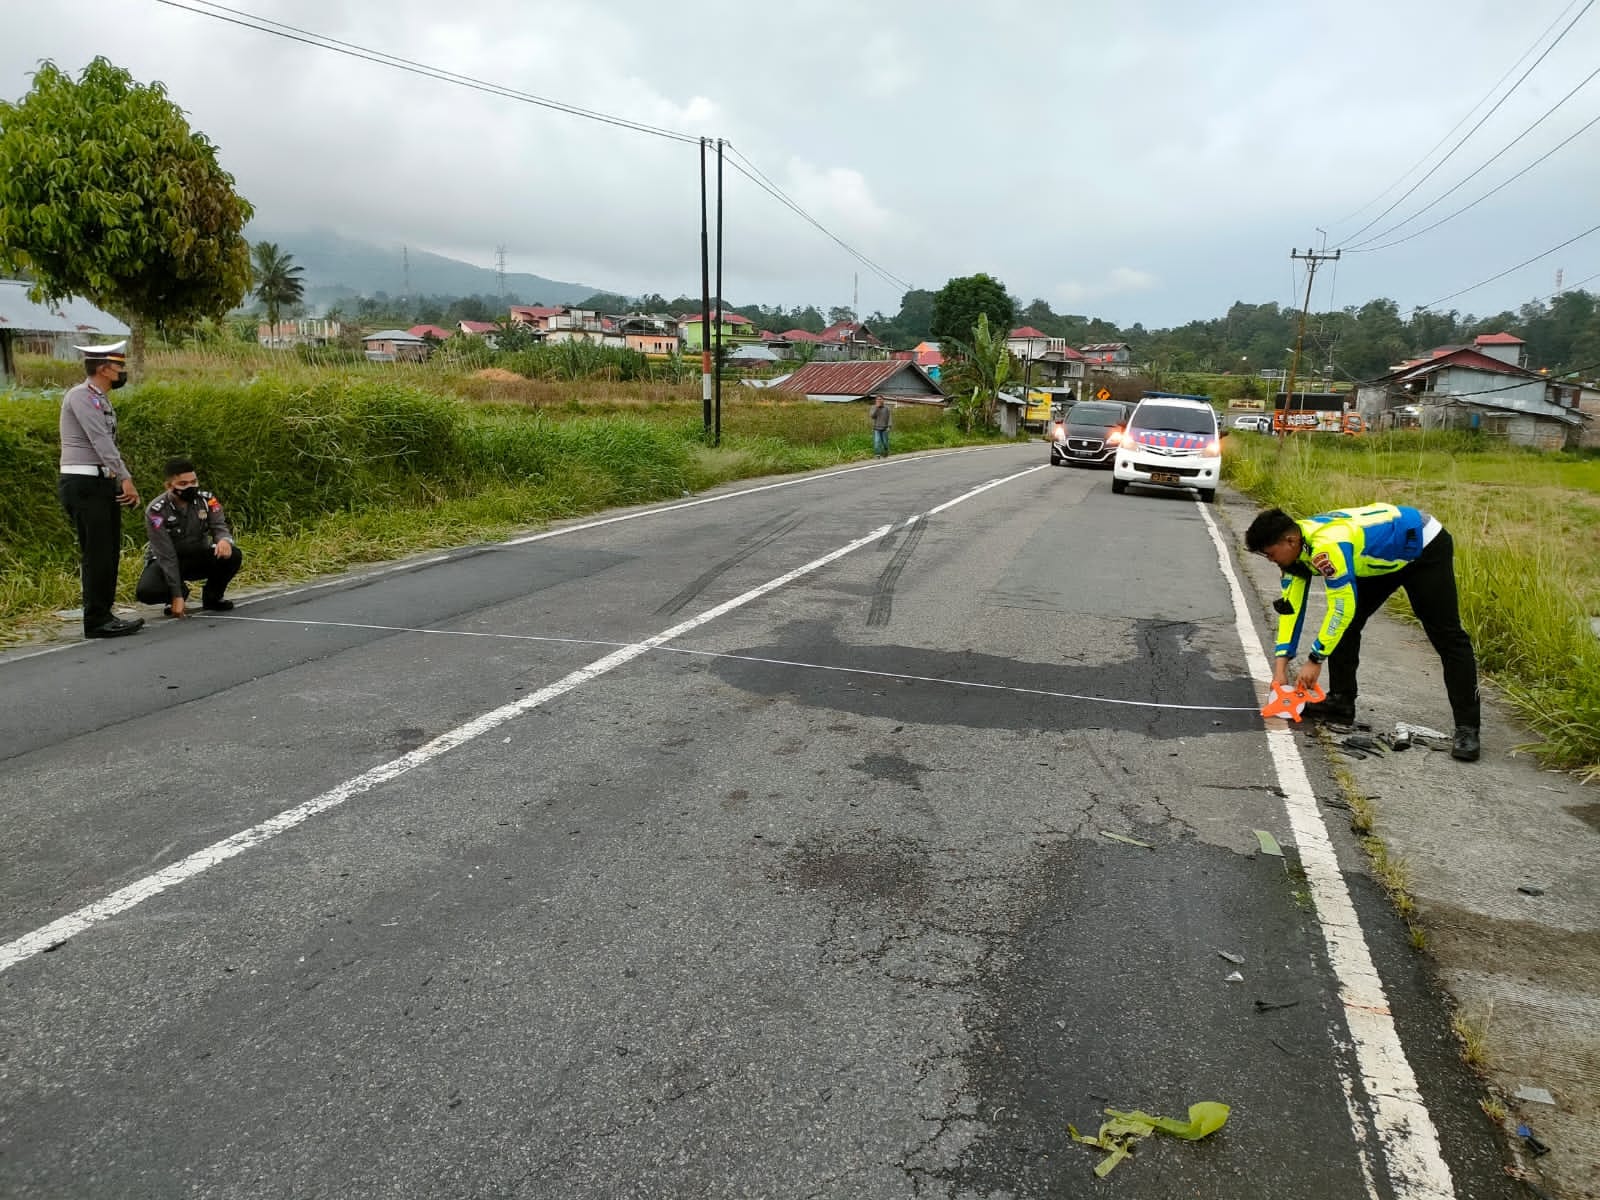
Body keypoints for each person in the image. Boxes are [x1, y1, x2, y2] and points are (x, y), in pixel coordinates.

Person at [1245, 503, 1481, 762]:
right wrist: (1280, 669)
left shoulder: (1326, 548)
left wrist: (1315, 659)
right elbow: (1291, 611)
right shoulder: (1295, 550)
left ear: (1290, 541)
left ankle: (1468, 728)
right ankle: (1341, 702)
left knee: (1447, 637)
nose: (1270, 560)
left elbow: (1341, 609)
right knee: (1348, 625)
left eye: (1270, 554)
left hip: (1421, 545)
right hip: (1379, 556)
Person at [58, 340, 144, 639]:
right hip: (84, 483)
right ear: (105, 369)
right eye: (119, 366)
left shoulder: (100, 398)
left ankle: (104, 613)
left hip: (100, 481)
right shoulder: (82, 397)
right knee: (96, 553)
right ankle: (95, 620)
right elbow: (100, 441)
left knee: (107, 552)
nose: (122, 371)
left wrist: (115, 477)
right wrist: (125, 477)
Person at [136, 458, 242, 616]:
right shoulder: (156, 511)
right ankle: (175, 596)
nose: (190, 487)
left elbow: (219, 526)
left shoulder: (207, 500)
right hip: (167, 561)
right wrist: (177, 594)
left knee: (233, 555)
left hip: (197, 555)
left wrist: (223, 540)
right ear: (169, 486)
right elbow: (166, 555)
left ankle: (213, 597)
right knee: (146, 591)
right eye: (183, 484)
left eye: (194, 482)